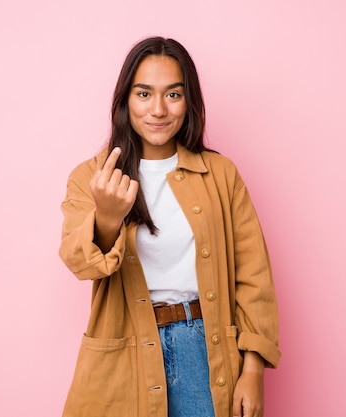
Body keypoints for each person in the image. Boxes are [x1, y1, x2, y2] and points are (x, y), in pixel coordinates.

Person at [59, 37, 280, 417]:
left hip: (205, 354)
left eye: (173, 95)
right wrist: (108, 219)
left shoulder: (220, 175)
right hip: (125, 354)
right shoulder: (92, 178)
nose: (158, 109)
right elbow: (80, 263)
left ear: (188, 100)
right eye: (144, 94)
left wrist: (254, 367)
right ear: (125, 100)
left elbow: (253, 275)